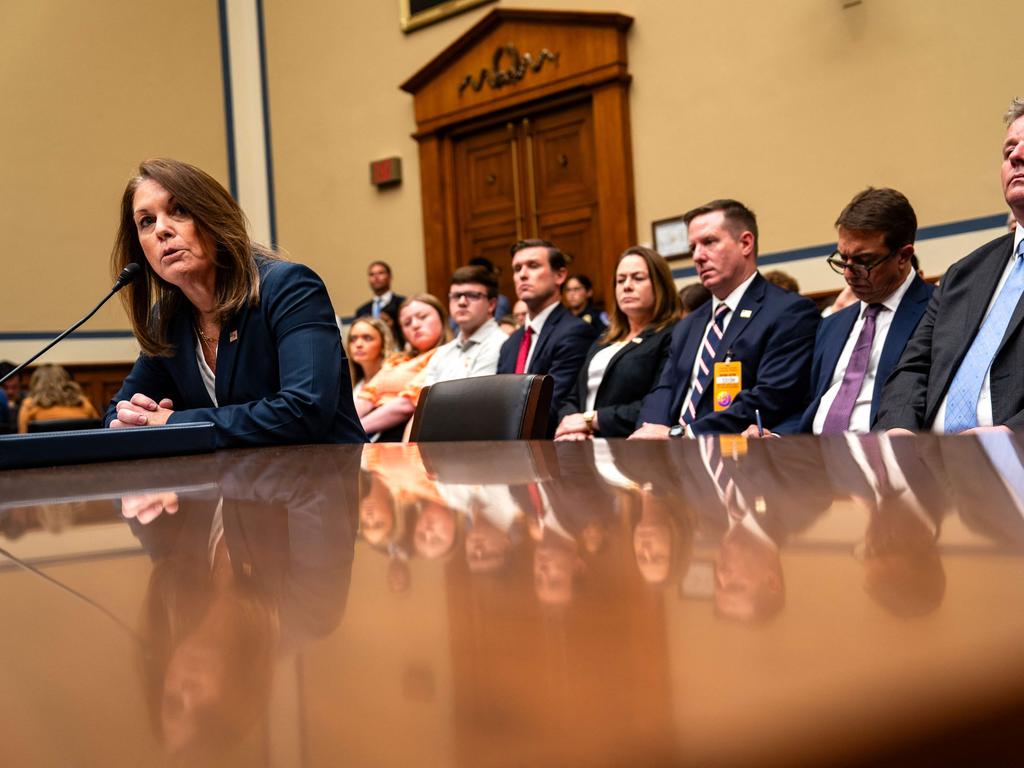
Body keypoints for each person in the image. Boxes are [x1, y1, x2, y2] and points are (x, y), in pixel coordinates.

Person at [103, 158, 365, 447]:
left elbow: (304, 409)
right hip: (233, 487)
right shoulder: (166, 320)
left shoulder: (289, 287)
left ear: (214, 217)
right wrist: (136, 419)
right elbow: (117, 413)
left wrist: (171, 422)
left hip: (327, 480)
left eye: (179, 210)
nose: (161, 230)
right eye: (146, 221)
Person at [876, 99, 1024, 433]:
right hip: (929, 466)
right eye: (1008, 150)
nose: (1015, 156)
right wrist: (899, 429)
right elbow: (913, 368)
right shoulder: (964, 274)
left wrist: (1014, 434)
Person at [750, 188, 934, 435]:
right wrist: (776, 438)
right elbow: (809, 407)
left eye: (863, 261)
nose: (848, 273)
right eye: (842, 259)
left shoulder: (939, 310)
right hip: (816, 462)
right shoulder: (832, 325)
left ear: (903, 256)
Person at [631, 199, 819, 438]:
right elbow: (665, 389)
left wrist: (682, 434)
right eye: (692, 248)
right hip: (671, 455)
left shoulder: (789, 312)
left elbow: (770, 398)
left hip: (736, 454)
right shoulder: (688, 324)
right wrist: (647, 434)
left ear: (745, 243)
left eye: (709, 242)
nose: (698, 256)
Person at [555, 246, 681, 439]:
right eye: (620, 280)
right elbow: (573, 396)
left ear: (660, 284)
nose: (627, 286)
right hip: (581, 443)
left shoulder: (671, 336)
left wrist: (591, 420)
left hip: (630, 448)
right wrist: (571, 427)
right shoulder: (606, 338)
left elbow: (658, 404)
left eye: (638, 278)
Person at [497, 239, 599, 432]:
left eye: (533, 266)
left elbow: (552, 407)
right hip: (506, 448)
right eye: (517, 269)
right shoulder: (510, 344)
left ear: (560, 275)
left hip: (549, 448)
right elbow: (498, 403)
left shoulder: (575, 332)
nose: (523, 275)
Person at [356, 294, 450, 441]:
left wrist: (355, 429)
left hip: (397, 430)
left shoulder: (444, 355)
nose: (415, 325)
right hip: (369, 426)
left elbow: (407, 405)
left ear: (441, 318)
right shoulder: (397, 359)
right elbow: (367, 396)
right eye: (407, 323)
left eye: (422, 317)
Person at [422, 265, 507, 386]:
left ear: (491, 305)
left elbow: (474, 399)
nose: (462, 302)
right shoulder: (442, 352)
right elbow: (426, 400)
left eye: (472, 295)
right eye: (456, 296)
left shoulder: (500, 344)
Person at [17, 364, 99, 432]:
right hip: (83, 451)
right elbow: (99, 431)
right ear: (65, 381)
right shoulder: (83, 402)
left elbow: (22, 438)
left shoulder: (29, 405)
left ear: (36, 383)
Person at [354, 261, 406, 347]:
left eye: (380, 273)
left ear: (390, 277)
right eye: (372, 274)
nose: (376, 277)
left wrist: (393, 327)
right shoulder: (361, 311)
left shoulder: (403, 304)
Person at [346, 316, 395, 398]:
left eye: (367, 338)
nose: (358, 344)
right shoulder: (354, 385)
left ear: (383, 343)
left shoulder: (394, 379)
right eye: (353, 339)